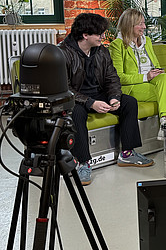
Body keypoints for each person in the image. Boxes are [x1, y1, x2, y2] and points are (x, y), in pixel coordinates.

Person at [58, 13, 154, 186]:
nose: (103, 36)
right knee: (77, 114)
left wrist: (114, 97)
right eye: (99, 34)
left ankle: (126, 153)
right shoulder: (62, 53)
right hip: (76, 99)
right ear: (85, 35)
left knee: (129, 103)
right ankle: (83, 162)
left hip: (99, 94)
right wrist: (90, 103)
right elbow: (64, 89)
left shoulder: (101, 51)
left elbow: (112, 78)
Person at [109, 8, 166, 140]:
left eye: (144, 23)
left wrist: (158, 71)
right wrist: (146, 77)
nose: (144, 27)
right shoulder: (117, 45)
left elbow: (154, 63)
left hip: (154, 82)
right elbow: (119, 77)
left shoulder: (146, 41)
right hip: (132, 87)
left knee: (165, 77)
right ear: (129, 25)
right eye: (140, 24)